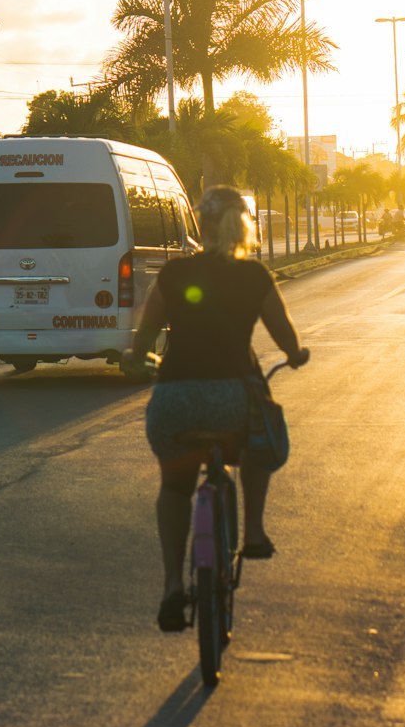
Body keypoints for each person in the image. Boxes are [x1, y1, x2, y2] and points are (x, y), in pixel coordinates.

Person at [122, 186, 310, 633]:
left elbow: (144, 337)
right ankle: (255, 532)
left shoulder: (173, 275)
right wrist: (295, 353)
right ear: (244, 226)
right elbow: (285, 337)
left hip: (175, 401)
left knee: (174, 487)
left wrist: (136, 358)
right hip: (232, 399)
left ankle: (172, 584)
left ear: (200, 227)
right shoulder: (255, 277)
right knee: (258, 437)